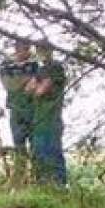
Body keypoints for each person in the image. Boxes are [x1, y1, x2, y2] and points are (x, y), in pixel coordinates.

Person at [28, 40, 68, 186]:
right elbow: (28, 88)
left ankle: (59, 187)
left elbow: (39, 90)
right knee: (39, 155)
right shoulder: (40, 70)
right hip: (39, 121)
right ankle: (43, 185)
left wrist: (38, 85)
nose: (40, 53)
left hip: (52, 119)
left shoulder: (56, 67)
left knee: (54, 154)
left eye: (43, 49)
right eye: (38, 49)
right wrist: (38, 84)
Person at [0, 39, 39, 172]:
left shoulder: (35, 64)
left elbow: (38, 83)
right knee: (19, 145)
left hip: (33, 108)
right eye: (22, 48)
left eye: (27, 48)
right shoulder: (6, 65)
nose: (25, 51)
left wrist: (29, 81)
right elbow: (9, 85)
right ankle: (21, 178)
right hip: (16, 109)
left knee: (36, 145)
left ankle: (38, 176)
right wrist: (27, 79)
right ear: (16, 49)